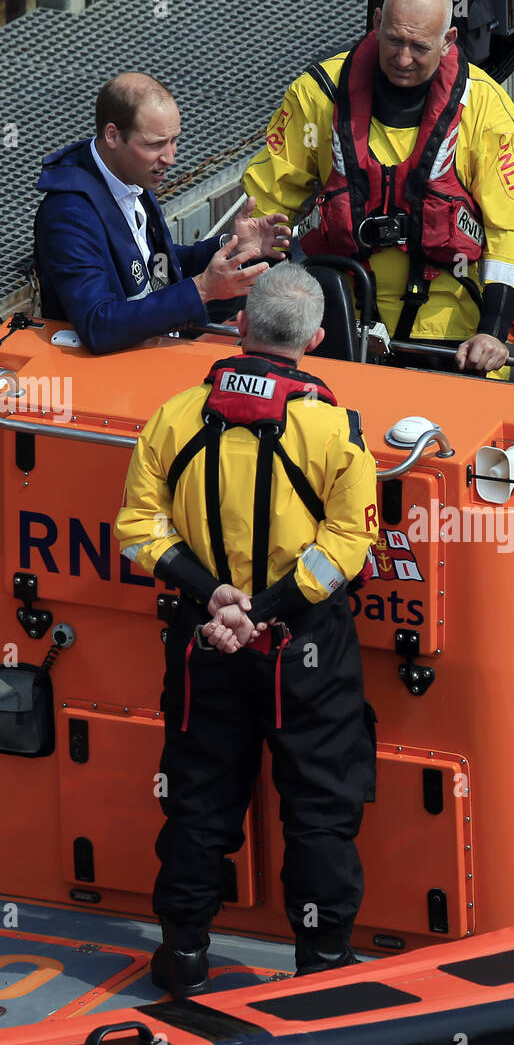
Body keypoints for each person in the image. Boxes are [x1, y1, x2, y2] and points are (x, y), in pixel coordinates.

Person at [114, 262, 378, 996]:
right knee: (320, 808)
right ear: (318, 339)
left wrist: (215, 602)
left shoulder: (174, 416)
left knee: (199, 799)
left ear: (240, 325)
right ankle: (322, 968)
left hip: (203, 645)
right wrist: (262, 612)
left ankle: (183, 955)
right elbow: (346, 549)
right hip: (305, 652)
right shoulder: (334, 431)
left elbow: (136, 528)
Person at [243, 0, 514, 374]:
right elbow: (265, 205)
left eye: (419, 47)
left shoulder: (486, 109)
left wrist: (492, 332)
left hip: (453, 334)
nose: (403, 59)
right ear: (376, 21)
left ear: (449, 40)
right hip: (335, 319)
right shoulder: (318, 94)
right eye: (394, 40)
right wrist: (252, 291)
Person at [34, 72, 291, 354]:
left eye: (174, 140)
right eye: (155, 144)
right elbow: (98, 325)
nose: (170, 157)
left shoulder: (131, 173)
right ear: (112, 136)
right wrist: (202, 289)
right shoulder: (67, 215)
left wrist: (231, 246)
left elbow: (152, 265)